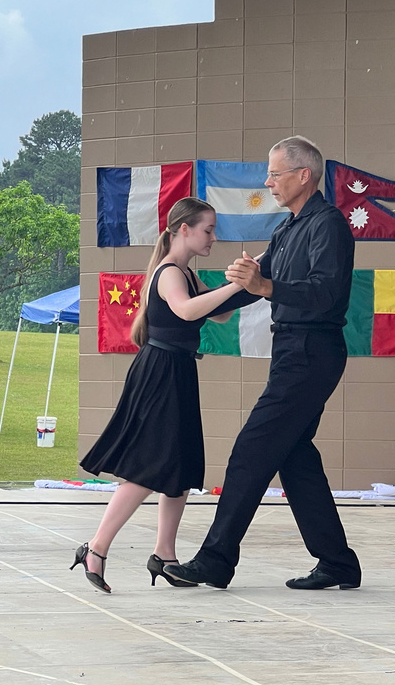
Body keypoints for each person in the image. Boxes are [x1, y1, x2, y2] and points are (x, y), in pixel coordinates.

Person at [165, 136, 362, 591]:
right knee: (295, 458)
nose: (268, 182)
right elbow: (258, 278)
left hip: (313, 351)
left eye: (275, 173)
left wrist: (267, 287)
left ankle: (215, 560)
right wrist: (232, 286)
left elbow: (327, 293)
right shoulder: (288, 229)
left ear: (303, 175)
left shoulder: (328, 225)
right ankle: (338, 563)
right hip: (291, 351)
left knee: (253, 449)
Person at [71, 197, 256, 593]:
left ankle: (165, 556)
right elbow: (188, 311)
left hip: (178, 371)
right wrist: (236, 285)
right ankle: (96, 547)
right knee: (148, 467)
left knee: (181, 467)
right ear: (183, 229)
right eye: (208, 229)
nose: (213, 237)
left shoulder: (188, 273)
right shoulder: (170, 272)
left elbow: (220, 313)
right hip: (160, 373)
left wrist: (252, 279)